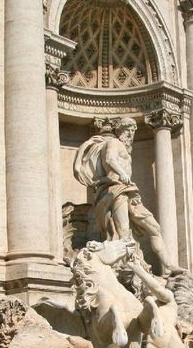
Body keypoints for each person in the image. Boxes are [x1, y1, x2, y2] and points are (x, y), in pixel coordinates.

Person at [74, 117, 181, 276]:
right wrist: (122, 173)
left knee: (154, 227)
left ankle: (169, 266)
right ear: (122, 131)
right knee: (123, 232)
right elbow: (110, 159)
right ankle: (126, 268)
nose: (131, 135)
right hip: (117, 189)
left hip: (129, 190)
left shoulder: (122, 146)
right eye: (130, 131)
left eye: (132, 132)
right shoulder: (114, 143)